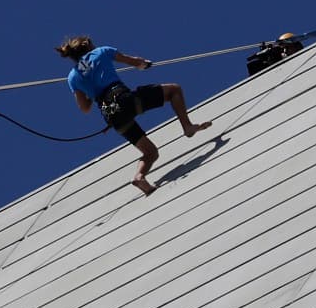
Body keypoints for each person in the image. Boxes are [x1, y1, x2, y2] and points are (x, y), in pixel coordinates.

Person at [56, 36, 212, 196]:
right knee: (174, 90)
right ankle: (187, 126)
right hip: (124, 100)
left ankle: (139, 176)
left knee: (150, 152)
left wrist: (90, 89)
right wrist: (144, 64)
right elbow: (133, 61)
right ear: (87, 45)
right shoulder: (101, 52)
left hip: (112, 116)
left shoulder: (73, 77)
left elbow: (85, 108)